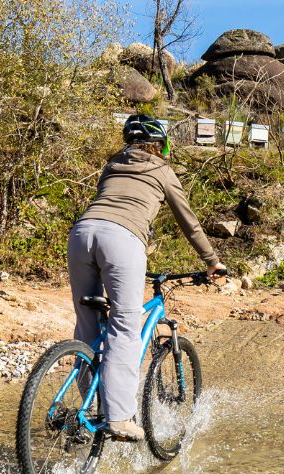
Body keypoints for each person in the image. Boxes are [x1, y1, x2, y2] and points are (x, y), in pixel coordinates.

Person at [67, 114, 226, 441]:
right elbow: (189, 222)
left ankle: (87, 410)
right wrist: (212, 261)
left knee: (86, 326)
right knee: (124, 326)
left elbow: (110, 202)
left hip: (82, 234)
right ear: (161, 144)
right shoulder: (162, 170)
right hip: (122, 240)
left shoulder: (112, 164)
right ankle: (120, 418)